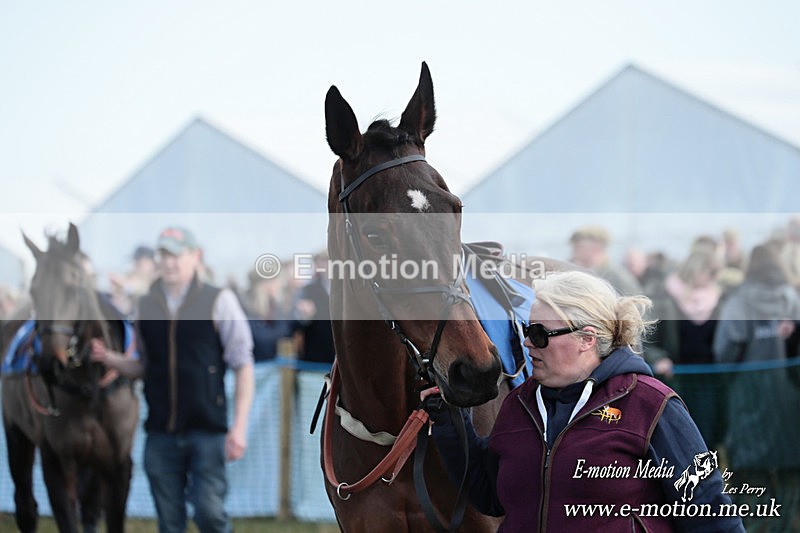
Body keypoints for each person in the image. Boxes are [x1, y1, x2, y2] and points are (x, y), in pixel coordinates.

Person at [423, 270, 743, 532]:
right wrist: (449, 420)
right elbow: (488, 494)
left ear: (586, 339)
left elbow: (711, 511)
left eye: (539, 333)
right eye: (526, 329)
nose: (526, 343)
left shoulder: (651, 405)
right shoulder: (519, 404)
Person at [91, 226, 255, 533]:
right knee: (169, 522)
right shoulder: (145, 305)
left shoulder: (220, 301)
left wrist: (240, 427)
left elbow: (243, 364)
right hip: (161, 433)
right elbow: (142, 365)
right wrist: (109, 359)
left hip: (207, 430)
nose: (169, 263)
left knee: (210, 514)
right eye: (163, 255)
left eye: (176, 255)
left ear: (195, 256)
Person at [713, 243, 800, 532]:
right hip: (790, 395)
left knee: (750, 475)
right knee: (790, 474)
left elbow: (725, 349)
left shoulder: (740, 300)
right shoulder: (792, 298)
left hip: (748, 396)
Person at [569, 225, 642, 296]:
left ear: (596, 247)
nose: (574, 251)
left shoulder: (616, 276)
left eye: (579, 247)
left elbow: (637, 305)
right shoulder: (587, 272)